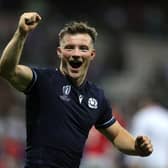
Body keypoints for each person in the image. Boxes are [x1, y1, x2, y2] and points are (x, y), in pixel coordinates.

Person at [0, 12, 153, 168]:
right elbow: (7, 70)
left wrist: (136, 147)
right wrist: (21, 33)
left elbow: (117, 135)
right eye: (70, 48)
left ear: (92, 54)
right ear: (59, 52)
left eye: (83, 48)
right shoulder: (43, 80)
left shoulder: (96, 97)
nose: (76, 54)